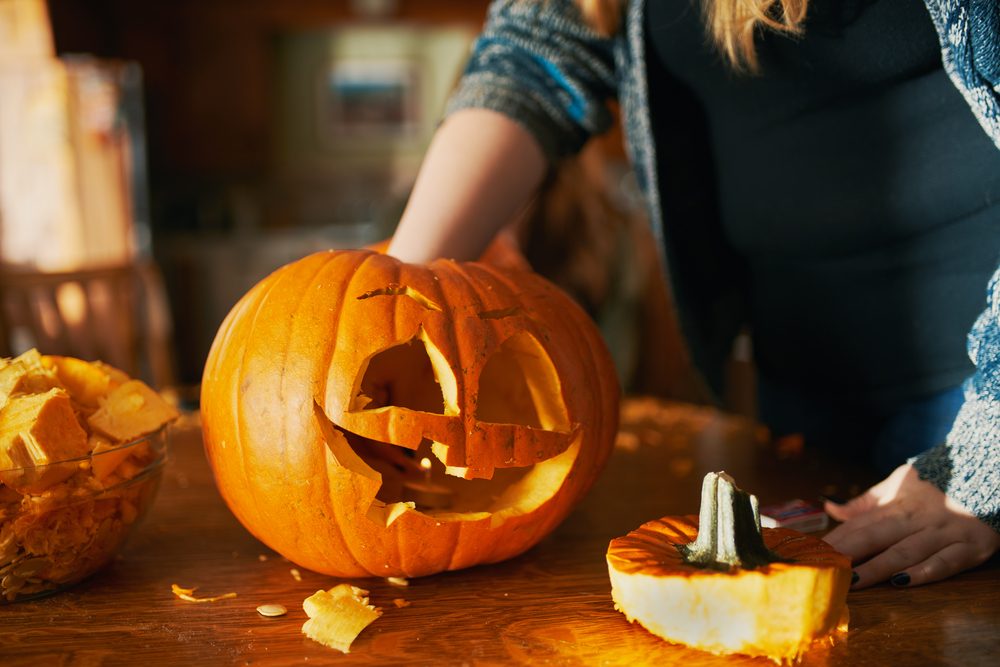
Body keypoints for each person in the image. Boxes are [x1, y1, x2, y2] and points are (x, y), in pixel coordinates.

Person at [387, 0, 1000, 588]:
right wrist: (392, 305)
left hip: (976, 379)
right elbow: (535, 55)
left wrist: (985, 460)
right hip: (798, 371)